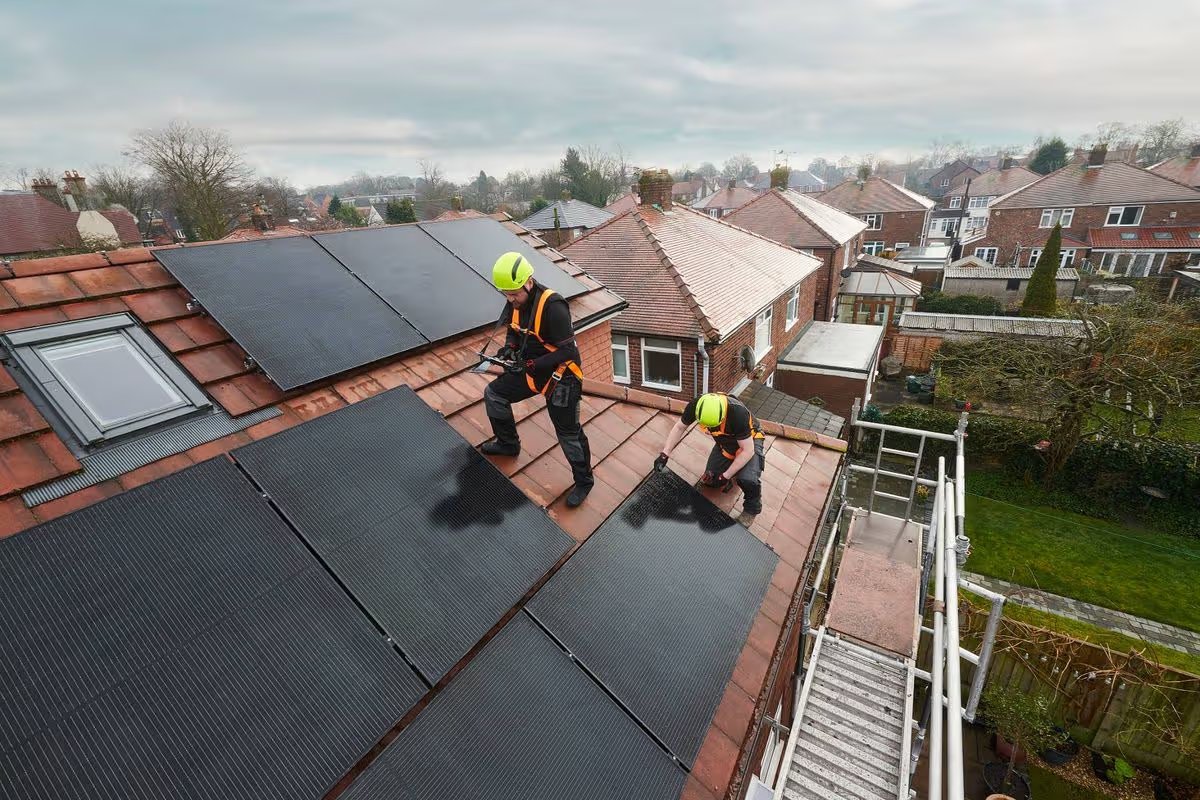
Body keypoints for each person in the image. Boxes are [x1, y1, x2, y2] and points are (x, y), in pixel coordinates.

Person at [481, 251, 593, 507]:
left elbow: (569, 351)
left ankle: (584, 481)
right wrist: (510, 347)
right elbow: (513, 330)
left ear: (529, 282)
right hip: (530, 373)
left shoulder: (553, 307)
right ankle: (508, 444)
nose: (510, 299)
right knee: (494, 395)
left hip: (561, 378)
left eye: (514, 294)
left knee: (568, 433)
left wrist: (530, 364)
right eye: (506, 294)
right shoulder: (514, 300)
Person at [654, 392, 765, 515]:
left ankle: (752, 507)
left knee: (747, 479)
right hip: (725, 444)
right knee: (711, 479)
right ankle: (735, 468)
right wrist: (665, 454)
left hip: (750, 441)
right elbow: (680, 427)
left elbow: (747, 451)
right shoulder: (697, 405)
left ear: (722, 416)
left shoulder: (737, 413)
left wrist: (726, 476)